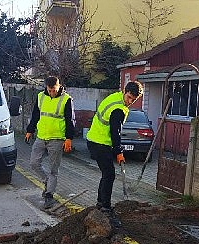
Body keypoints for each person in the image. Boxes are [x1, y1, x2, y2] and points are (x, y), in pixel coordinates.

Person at [86, 80, 143, 227]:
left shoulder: (115, 97)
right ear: (125, 91)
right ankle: (105, 207)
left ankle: (101, 203)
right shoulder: (118, 108)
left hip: (96, 140)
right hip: (99, 142)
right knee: (109, 174)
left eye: (133, 99)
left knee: (107, 173)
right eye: (129, 97)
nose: (130, 101)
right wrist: (118, 151)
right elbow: (115, 132)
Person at [25, 76, 75, 209]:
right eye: (50, 90)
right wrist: (30, 130)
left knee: (54, 169)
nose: (52, 92)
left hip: (57, 139)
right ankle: (47, 181)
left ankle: (49, 196)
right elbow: (35, 114)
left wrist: (69, 138)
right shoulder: (41, 96)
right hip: (41, 137)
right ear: (46, 87)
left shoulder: (66, 99)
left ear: (59, 86)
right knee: (34, 163)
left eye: (54, 90)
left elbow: (70, 120)